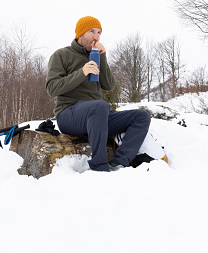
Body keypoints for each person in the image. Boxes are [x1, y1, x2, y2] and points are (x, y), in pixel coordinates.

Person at [46, 16, 151, 172]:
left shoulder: (95, 55)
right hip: (69, 114)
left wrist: (102, 56)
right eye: (92, 31)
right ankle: (100, 166)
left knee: (141, 117)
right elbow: (52, 88)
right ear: (80, 34)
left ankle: (120, 162)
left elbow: (108, 85)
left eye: (99, 32)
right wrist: (82, 72)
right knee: (99, 106)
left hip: (98, 115)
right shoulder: (61, 55)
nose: (96, 36)